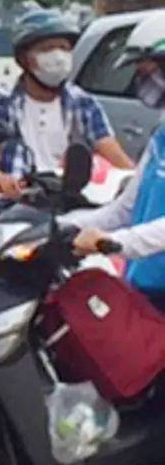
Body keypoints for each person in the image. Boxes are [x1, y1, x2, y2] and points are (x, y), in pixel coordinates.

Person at [0, 9, 132, 201]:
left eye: (64, 48)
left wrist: (136, 181)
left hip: (71, 201)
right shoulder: (0, 101)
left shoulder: (84, 102)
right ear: (23, 59)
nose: (58, 56)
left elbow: (109, 148)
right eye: (47, 48)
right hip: (16, 202)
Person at [65, 36, 165, 310]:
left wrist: (113, 242)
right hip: (146, 287)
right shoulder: (160, 138)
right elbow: (125, 209)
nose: (152, 84)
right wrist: (66, 227)